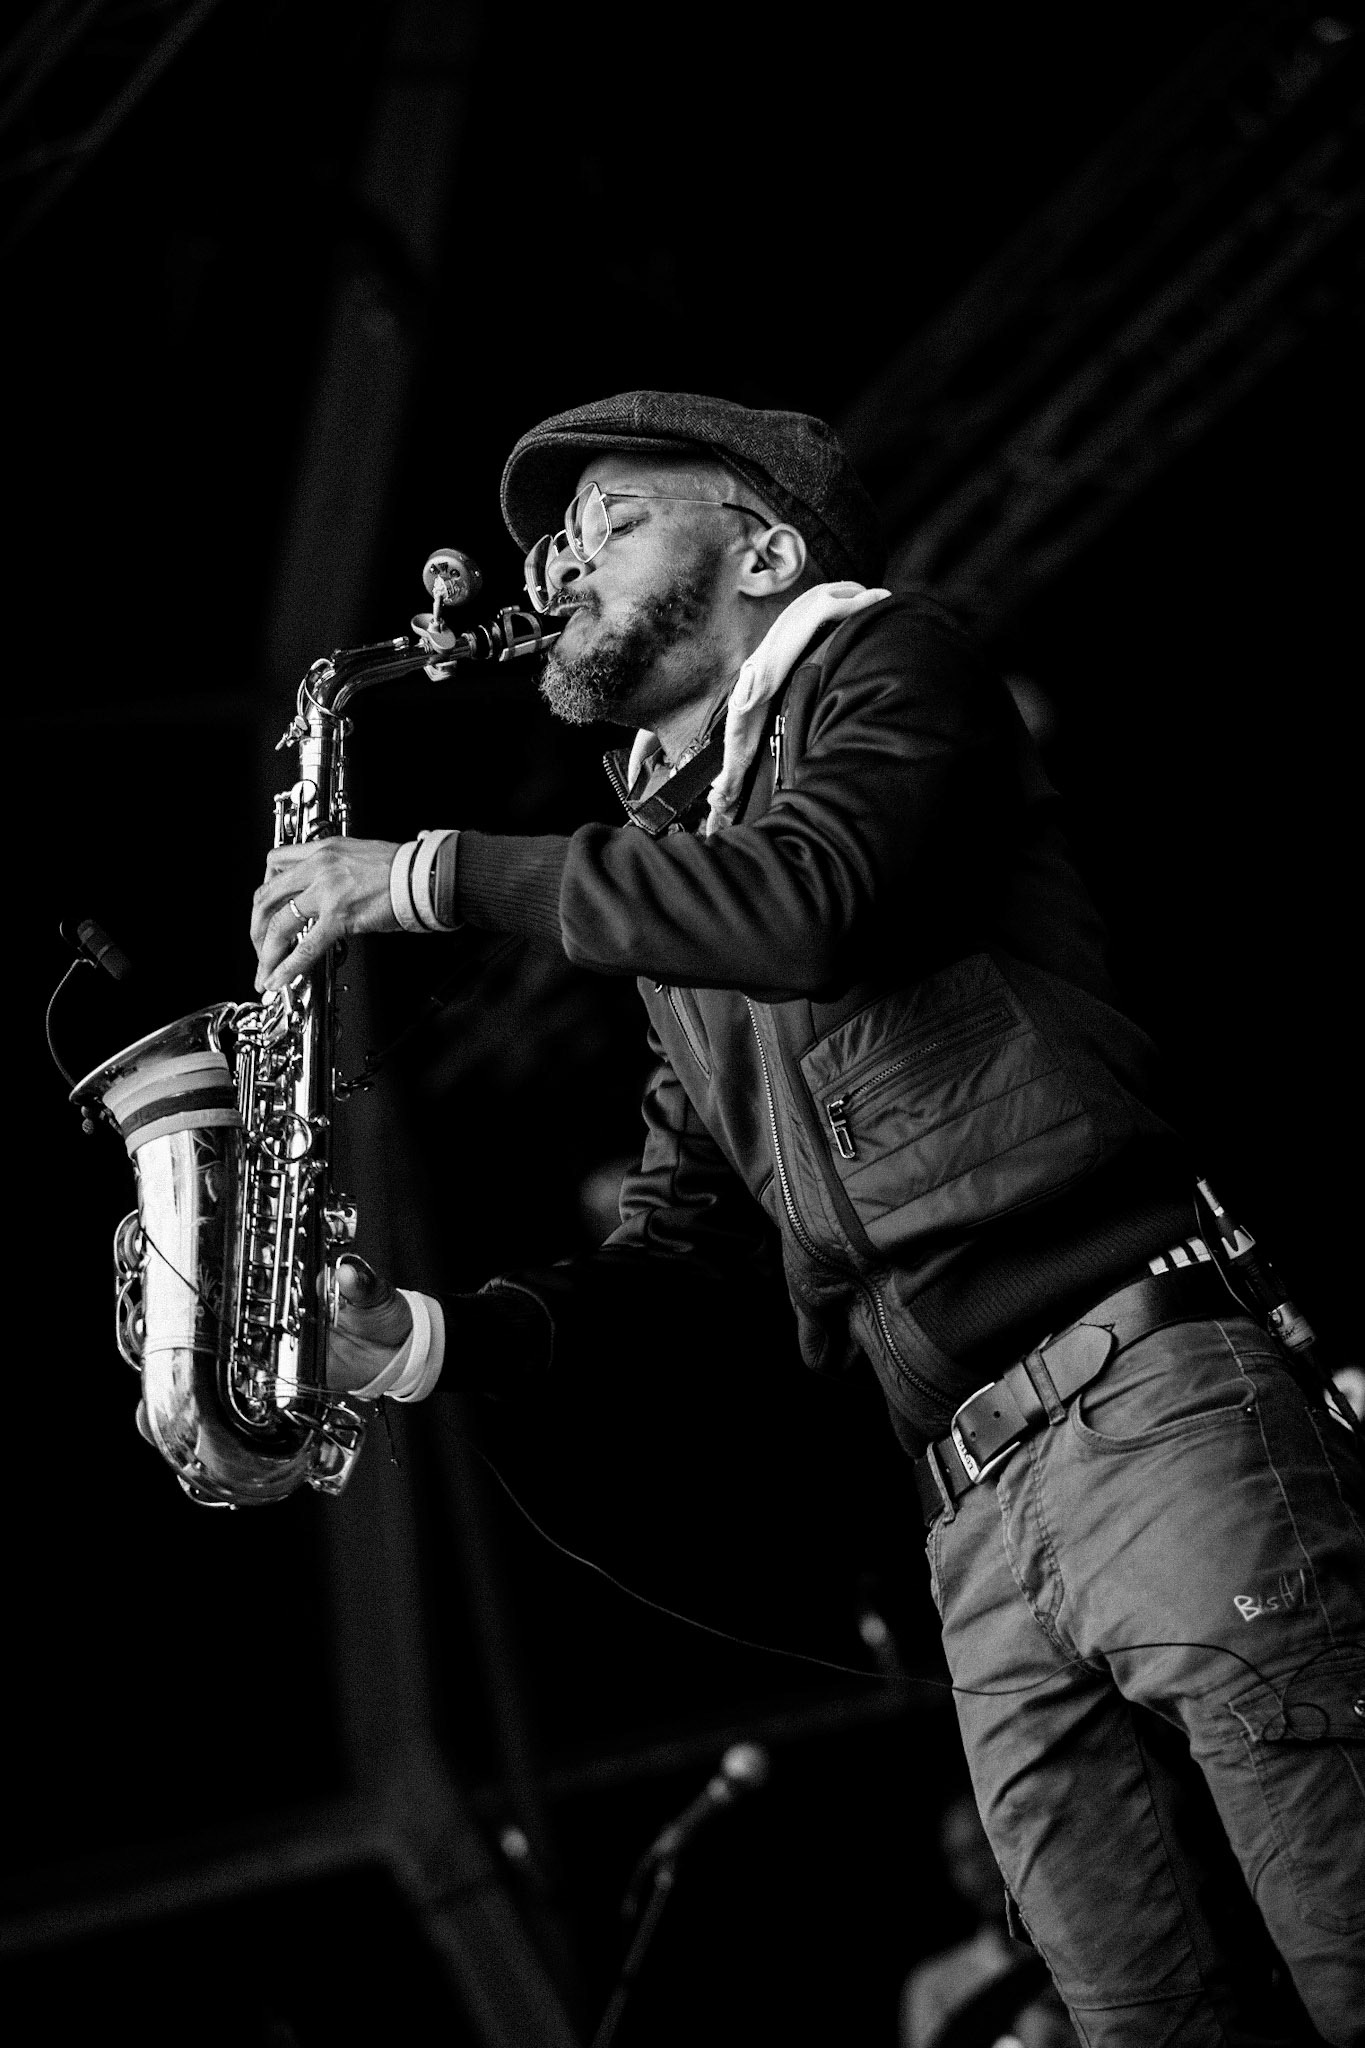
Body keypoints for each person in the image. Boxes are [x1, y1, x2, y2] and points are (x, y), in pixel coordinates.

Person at [249, 391, 1365, 2046]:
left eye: (614, 520)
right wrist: (420, 1341)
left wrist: (423, 876)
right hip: (968, 1511)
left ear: (762, 548)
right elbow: (682, 1248)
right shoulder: (673, 858)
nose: (558, 567)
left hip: (1146, 1405)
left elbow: (820, 896)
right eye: (557, 541)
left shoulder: (891, 668)